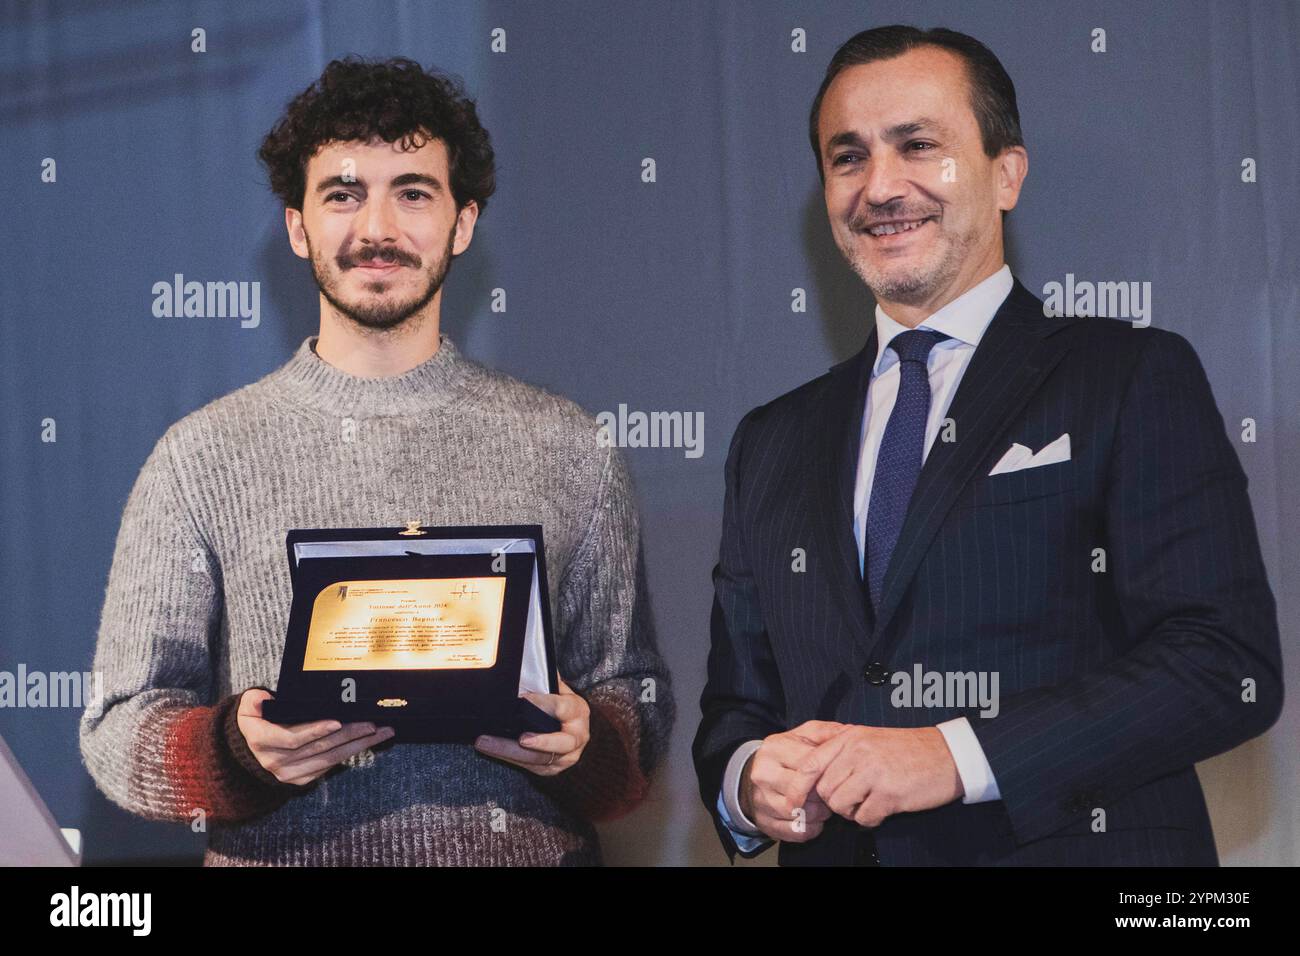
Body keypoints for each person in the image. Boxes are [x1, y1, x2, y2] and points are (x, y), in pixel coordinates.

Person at [693, 25, 1282, 866]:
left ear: (1007, 175)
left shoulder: (1126, 376)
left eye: (919, 146)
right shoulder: (770, 441)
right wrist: (750, 782)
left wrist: (956, 756)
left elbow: (1224, 665)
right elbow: (738, 708)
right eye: (848, 157)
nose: (880, 186)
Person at [80, 56, 673, 866]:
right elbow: (117, 724)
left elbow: (635, 701)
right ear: (298, 227)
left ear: (463, 223)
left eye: (414, 192)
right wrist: (231, 753)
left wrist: (589, 745)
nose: (377, 229)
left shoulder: (568, 447)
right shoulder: (201, 457)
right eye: (344, 194)